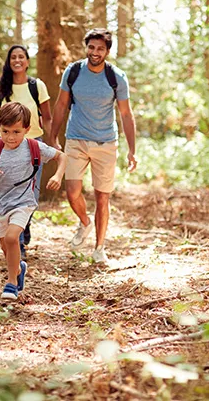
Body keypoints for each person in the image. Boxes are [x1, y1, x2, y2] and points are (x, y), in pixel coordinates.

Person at [48, 28, 137, 265]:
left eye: (100, 49)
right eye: (91, 47)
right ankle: (84, 223)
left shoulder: (116, 77)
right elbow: (61, 105)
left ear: (107, 51)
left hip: (106, 143)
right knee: (72, 191)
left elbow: (126, 114)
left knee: (102, 198)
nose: (95, 52)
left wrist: (132, 150)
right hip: (76, 139)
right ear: (86, 47)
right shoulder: (74, 71)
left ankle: (99, 248)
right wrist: (53, 137)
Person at [0, 102, 66, 301]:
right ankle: (18, 268)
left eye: (16, 131)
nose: (10, 137)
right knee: (6, 248)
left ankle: (11, 283)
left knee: (13, 238)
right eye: (5, 131)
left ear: (27, 130)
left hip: (24, 203)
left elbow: (61, 156)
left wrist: (57, 176)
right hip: (1, 206)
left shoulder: (33, 147)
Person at [0, 45, 53, 260]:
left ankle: (23, 227)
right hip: (6, 146)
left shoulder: (37, 86)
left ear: (27, 61)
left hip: (33, 144)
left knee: (31, 193)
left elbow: (48, 117)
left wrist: (52, 142)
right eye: (13, 57)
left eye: (21, 57)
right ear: (9, 62)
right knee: (9, 192)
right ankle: (17, 243)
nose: (17, 60)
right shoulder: (0, 86)